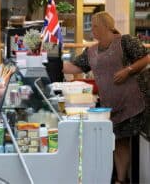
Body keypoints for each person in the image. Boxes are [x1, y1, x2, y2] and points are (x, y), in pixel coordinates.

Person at [62, 11, 150, 184]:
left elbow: (145, 58)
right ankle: (121, 179)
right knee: (118, 141)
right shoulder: (91, 51)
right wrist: (51, 60)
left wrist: (128, 70)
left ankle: (128, 178)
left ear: (106, 26)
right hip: (113, 105)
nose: (92, 29)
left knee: (130, 141)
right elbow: (73, 67)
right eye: (92, 26)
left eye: (95, 26)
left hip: (135, 102)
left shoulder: (126, 41)